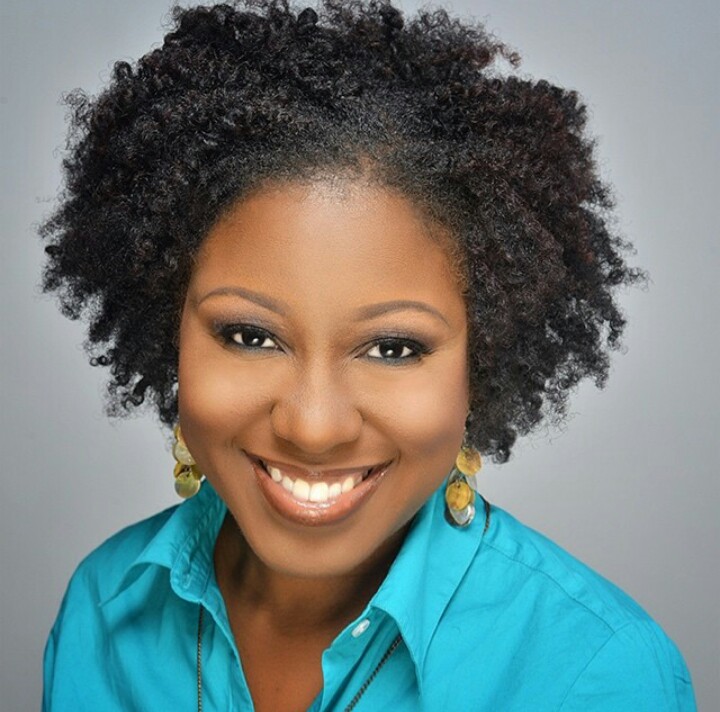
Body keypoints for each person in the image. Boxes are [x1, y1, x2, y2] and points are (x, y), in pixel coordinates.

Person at [40, 0, 696, 709]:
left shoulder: (597, 673)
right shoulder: (104, 608)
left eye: (393, 348)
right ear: (168, 328)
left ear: (482, 364)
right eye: (250, 336)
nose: (313, 427)